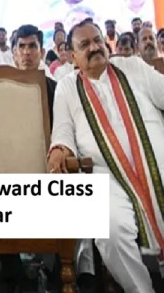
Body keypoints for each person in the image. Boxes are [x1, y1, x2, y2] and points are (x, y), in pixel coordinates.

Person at [48, 19, 164, 292]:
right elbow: (62, 131)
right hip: (105, 175)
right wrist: (60, 149)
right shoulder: (67, 87)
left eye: (97, 40)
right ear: (72, 56)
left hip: (157, 164)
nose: (94, 47)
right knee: (108, 229)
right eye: (84, 45)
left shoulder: (132, 67)